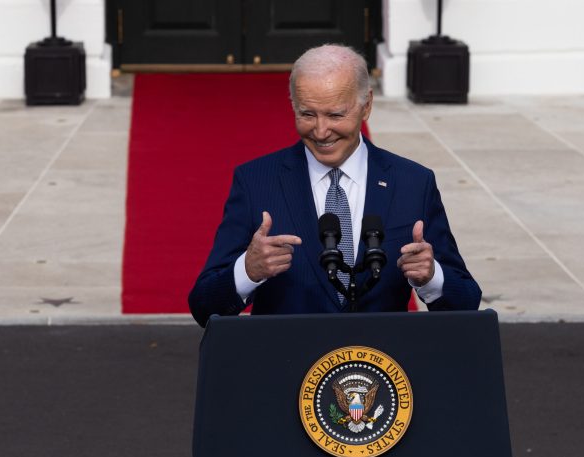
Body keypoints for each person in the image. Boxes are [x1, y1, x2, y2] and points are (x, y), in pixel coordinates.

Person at [189, 44, 480, 327]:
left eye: (335, 115)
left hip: (380, 368)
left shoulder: (413, 183)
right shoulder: (256, 182)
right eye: (307, 114)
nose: (320, 131)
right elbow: (204, 306)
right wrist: (248, 271)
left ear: (366, 106)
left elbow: (466, 302)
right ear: (293, 105)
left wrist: (432, 277)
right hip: (288, 368)